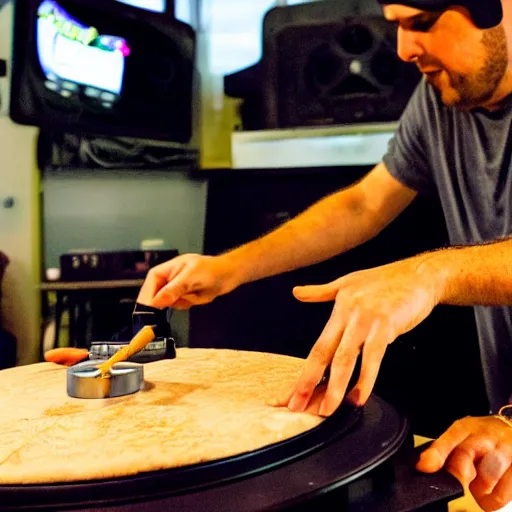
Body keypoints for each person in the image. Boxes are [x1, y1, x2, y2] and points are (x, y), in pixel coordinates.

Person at [138, 0, 512, 509]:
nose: (403, 49)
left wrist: (431, 273)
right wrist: (230, 268)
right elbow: (364, 203)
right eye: (397, 26)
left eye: (421, 24)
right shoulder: (440, 97)